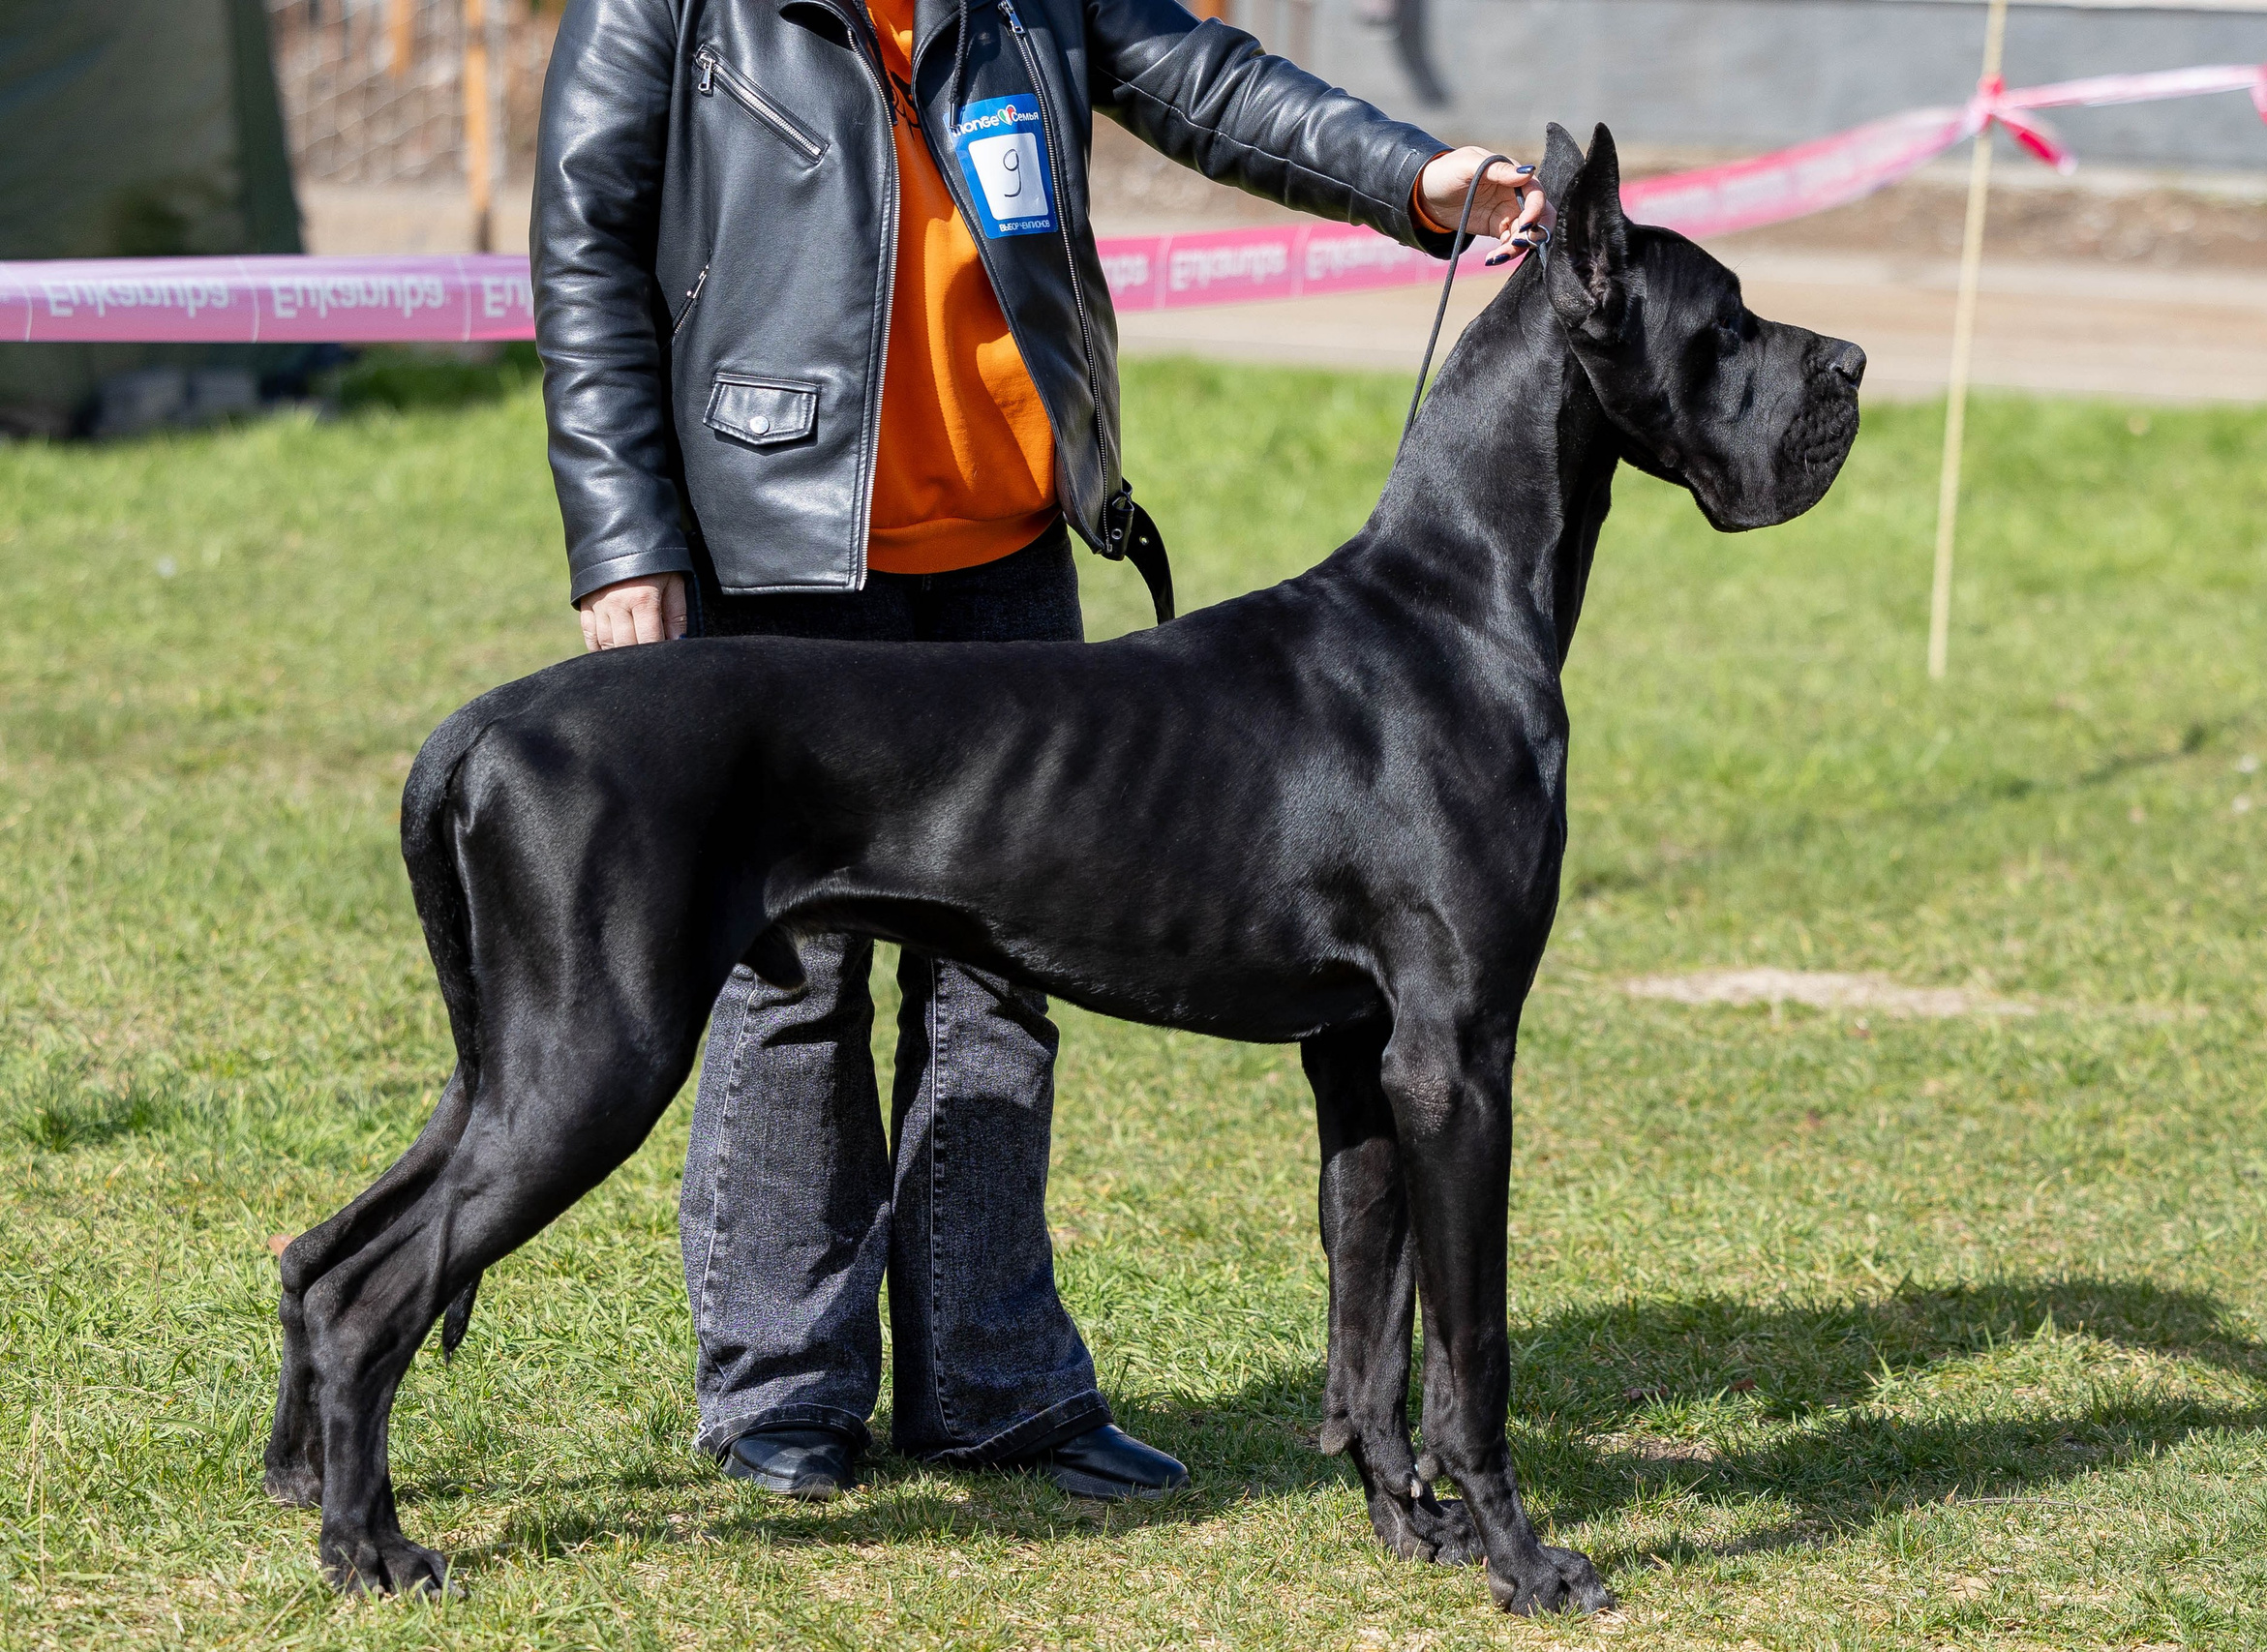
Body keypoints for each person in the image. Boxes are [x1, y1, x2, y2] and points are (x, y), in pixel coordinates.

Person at [530, 0, 1549, 1502]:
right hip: (783, 544)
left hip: (1007, 543)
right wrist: (625, 541)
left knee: (1013, 970)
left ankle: (995, 1380)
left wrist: (1415, 177)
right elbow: (587, 237)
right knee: (794, 976)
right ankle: (783, 1393)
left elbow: (1209, 81)